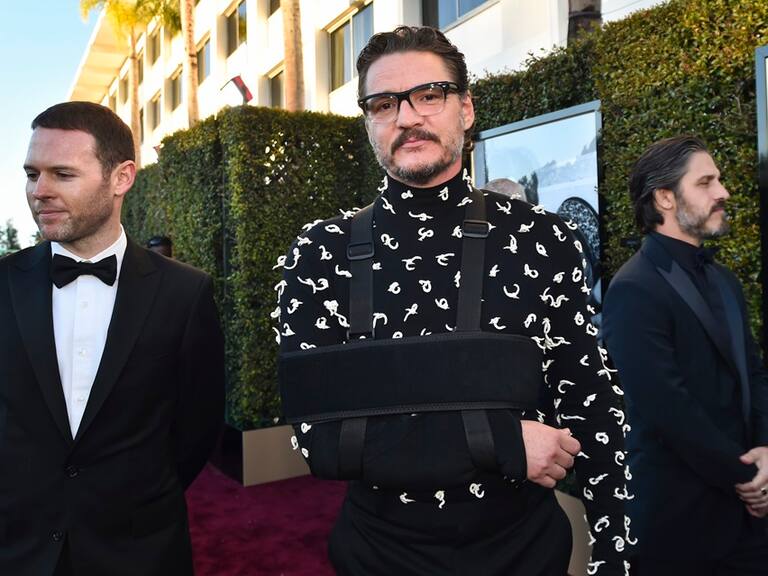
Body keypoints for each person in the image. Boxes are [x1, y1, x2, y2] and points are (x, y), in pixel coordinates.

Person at [277, 26, 631, 575]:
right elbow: (317, 440)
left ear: (465, 109)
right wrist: (502, 443)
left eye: (429, 95)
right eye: (383, 103)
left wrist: (617, 560)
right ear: (369, 122)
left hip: (525, 553)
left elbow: (590, 402)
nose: (407, 116)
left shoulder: (546, 240)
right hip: (376, 557)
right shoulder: (319, 251)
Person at [0, 101, 225, 576]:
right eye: (31, 173)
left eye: (62, 173)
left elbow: (197, 427)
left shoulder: (185, 292)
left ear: (121, 178)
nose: (39, 191)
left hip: (140, 549)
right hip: (18, 548)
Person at [602, 135, 768, 575]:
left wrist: (766, 450)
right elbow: (667, 409)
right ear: (665, 198)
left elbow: (754, 374)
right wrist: (745, 475)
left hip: (752, 529)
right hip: (680, 529)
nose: (723, 192)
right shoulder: (632, 289)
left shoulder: (727, 281)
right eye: (706, 182)